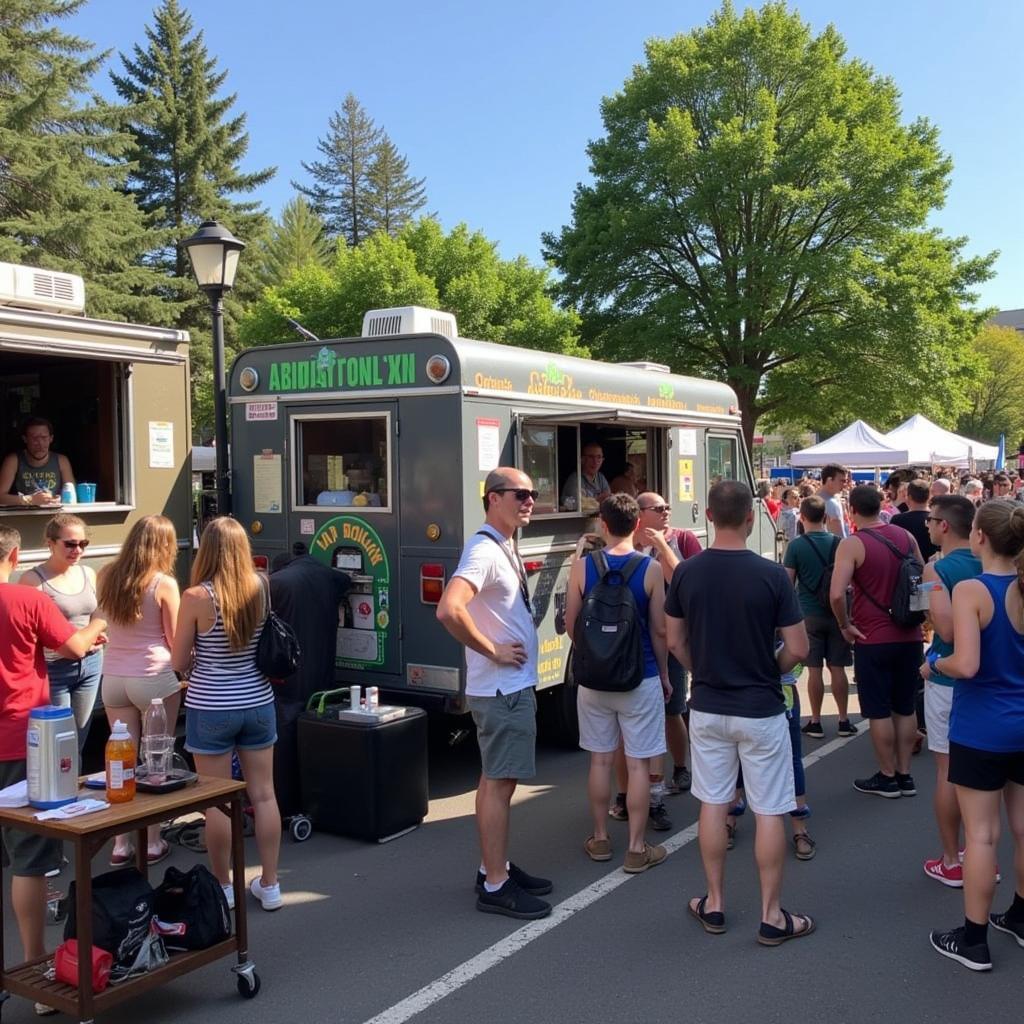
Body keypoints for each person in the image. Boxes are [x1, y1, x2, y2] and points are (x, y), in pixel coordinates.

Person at [666, 481, 813, 945]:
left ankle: (714, 903)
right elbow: (799, 648)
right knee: (770, 808)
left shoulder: (687, 573)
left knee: (714, 802)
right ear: (751, 518)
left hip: (708, 706)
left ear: (708, 516)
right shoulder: (770, 575)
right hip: (761, 707)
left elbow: (675, 641)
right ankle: (771, 914)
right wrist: (770, 669)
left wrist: (701, 668)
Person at [436, 468, 553, 919]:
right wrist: (493, 650)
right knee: (501, 785)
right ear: (492, 498)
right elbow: (449, 609)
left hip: (504, 688)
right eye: (519, 494)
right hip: (502, 689)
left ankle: (494, 868)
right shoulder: (484, 549)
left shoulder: (502, 544)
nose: (528, 500)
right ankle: (496, 885)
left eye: (532, 493)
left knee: (492, 781)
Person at [0, 525, 106, 1011]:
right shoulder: (27, 600)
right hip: (21, 740)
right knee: (30, 860)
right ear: (15, 554)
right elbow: (75, 648)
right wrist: (97, 625)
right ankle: (36, 966)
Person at [923, 500, 1024, 971]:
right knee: (1023, 828)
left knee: (982, 836)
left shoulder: (971, 589)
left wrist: (932, 665)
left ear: (979, 536)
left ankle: (974, 939)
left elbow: (966, 663)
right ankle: (1020, 917)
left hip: (982, 727)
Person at [171, 517, 282, 913]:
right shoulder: (262, 586)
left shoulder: (196, 597)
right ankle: (270, 883)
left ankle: (225, 886)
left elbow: (179, 660)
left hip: (211, 704)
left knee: (216, 802)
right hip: (257, 701)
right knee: (264, 794)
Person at [564, 494, 670, 872]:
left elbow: (572, 625)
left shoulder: (582, 567)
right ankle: (638, 848)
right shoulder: (650, 568)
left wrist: (598, 656)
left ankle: (600, 838)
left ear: (603, 525)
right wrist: (664, 675)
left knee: (600, 760)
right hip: (639, 677)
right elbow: (659, 631)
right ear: (637, 525)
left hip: (595, 681)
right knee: (639, 765)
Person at [97, 515, 183, 867]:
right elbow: (176, 641)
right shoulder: (164, 583)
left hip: (113, 677)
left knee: (123, 758)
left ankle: (120, 842)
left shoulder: (105, 574)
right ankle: (152, 840)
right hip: (154, 678)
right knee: (156, 760)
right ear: (165, 545)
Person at [829, 485, 924, 798]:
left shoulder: (853, 543)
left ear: (852, 511)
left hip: (872, 636)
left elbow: (835, 593)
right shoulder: (905, 538)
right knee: (905, 707)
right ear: (882, 505)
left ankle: (887, 776)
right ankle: (905, 774)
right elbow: (922, 577)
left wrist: (845, 625)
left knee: (879, 710)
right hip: (908, 634)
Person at [917, 496, 982, 887]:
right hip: (994, 679)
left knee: (948, 770)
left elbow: (944, 630)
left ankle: (951, 858)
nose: (927, 526)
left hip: (948, 675)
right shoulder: (997, 563)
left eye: (930, 520)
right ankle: (980, 856)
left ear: (944, 526)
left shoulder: (937, 568)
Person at [269, 547, 351, 819]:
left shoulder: (276, 583)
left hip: (288, 679)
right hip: (322, 674)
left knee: (285, 737)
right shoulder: (326, 574)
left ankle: (287, 804)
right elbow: (347, 581)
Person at [635, 492, 701, 798]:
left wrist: (662, 547)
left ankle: (680, 767)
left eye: (667, 507)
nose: (666, 512)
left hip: (672, 638)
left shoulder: (683, 539)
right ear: (640, 513)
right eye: (658, 508)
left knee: (672, 709)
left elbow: (687, 583)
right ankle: (637, 781)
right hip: (636, 640)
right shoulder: (631, 544)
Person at [17, 514, 102, 752]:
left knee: (79, 740)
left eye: (83, 544)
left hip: (91, 663)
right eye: (70, 544)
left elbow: (97, 613)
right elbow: (29, 630)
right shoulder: (34, 579)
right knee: (58, 742)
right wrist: (75, 641)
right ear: (50, 543)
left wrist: (96, 636)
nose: (77, 550)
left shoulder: (87, 573)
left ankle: (75, 786)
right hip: (55, 668)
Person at [783, 496, 855, 740]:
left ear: (801, 518)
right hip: (838, 614)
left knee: (814, 671)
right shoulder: (839, 543)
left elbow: (787, 583)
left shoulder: (796, 546)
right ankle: (843, 719)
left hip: (808, 614)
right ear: (825, 517)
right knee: (838, 669)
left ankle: (815, 720)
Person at [0, 417, 74, 507]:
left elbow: (72, 495)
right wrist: (30, 500)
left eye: (44, 437)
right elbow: (1, 497)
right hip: (23, 516)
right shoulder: (13, 460)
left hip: (55, 514)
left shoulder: (62, 461)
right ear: (25, 439)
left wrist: (60, 499)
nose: (40, 443)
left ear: (51, 438)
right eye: (34, 438)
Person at [891, 479, 939, 562]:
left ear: (909, 497)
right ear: (929, 497)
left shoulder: (897, 520)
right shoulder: (938, 520)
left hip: (905, 569)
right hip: (933, 567)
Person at [561, 442, 611, 508]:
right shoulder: (575, 479)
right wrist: (596, 500)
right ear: (582, 459)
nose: (595, 461)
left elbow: (608, 501)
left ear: (602, 460)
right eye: (591, 457)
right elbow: (572, 505)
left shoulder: (601, 477)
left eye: (599, 457)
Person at [820, 464, 849, 538]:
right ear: (830, 480)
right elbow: (839, 536)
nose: (845, 484)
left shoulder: (832, 499)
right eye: (842, 481)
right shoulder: (830, 503)